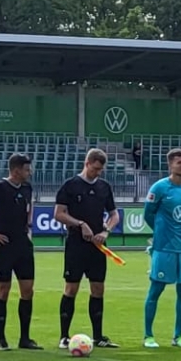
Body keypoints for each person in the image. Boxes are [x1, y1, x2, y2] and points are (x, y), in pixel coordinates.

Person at [54, 147, 120, 349]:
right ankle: (64, 336)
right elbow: (59, 213)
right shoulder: (71, 185)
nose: (97, 172)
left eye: (100, 170)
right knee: (71, 288)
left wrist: (106, 231)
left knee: (98, 288)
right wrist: (80, 224)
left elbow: (114, 215)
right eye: (95, 168)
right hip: (76, 244)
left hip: (97, 246)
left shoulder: (104, 187)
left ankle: (98, 336)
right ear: (87, 163)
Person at [0, 153, 40, 350]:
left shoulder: (27, 188)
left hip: (23, 244)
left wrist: (29, 225)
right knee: (4, 289)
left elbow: (30, 204)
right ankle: (1, 339)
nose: (30, 172)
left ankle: (25, 338)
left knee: (27, 290)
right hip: (5, 245)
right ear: (16, 170)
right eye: (27, 169)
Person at [140, 148, 181, 348]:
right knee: (156, 289)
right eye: (179, 162)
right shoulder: (159, 188)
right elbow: (148, 214)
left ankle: (178, 336)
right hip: (164, 247)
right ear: (170, 165)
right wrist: (160, 232)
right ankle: (148, 336)